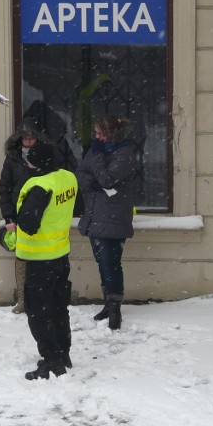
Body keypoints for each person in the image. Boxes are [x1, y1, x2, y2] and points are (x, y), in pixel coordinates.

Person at [16, 140, 77, 380]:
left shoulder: (40, 185)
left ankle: (52, 362)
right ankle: (64, 353)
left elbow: (29, 224)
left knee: (39, 312)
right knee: (59, 307)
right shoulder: (67, 178)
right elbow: (78, 206)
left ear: (37, 163)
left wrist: (11, 232)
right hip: (61, 255)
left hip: (41, 260)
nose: (26, 162)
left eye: (29, 158)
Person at [76, 116, 140, 330]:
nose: (98, 137)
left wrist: (96, 158)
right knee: (101, 262)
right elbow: (81, 175)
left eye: (102, 134)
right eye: (96, 133)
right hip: (95, 214)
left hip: (113, 217)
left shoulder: (124, 153)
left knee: (110, 263)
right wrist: (94, 181)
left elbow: (107, 179)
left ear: (113, 133)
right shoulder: (99, 151)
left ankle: (115, 310)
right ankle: (108, 303)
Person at [0, 121, 47, 313]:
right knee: (22, 261)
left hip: (42, 216)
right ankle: (23, 301)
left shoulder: (45, 158)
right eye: (25, 137)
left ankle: (40, 299)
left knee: (42, 261)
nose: (28, 141)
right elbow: (4, 189)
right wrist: (8, 217)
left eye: (32, 137)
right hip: (19, 217)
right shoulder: (12, 159)